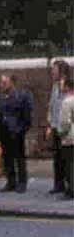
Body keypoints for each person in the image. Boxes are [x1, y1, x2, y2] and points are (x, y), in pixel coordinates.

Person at [0, 74, 33, 193]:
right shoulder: (1, 97)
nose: (1, 85)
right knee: (7, 158)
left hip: (16, 132)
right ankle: (11, 182)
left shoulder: (21, 96)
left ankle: (22, 182)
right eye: (1, 83)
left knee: (19, 158)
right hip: (4, 131)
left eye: (4, 83)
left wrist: (21, 129)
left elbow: (26, 115)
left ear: (12, 83)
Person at [46, 59, 70, 194]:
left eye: (54, 69)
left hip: (65, 127)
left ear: (61, 71)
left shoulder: (68, 86)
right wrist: (49, 123)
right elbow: (52, 105)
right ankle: (58, 184)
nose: (52, 72)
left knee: (66, 157)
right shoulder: (54, 86)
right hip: (55, 126)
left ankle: (68, 184)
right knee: (57, 157)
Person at [58, 77, 74, 200]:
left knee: (69, 165)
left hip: (70, 138)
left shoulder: (66, 102)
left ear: (68, 87)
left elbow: (65, 122)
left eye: (62, 85)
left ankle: (71, 190)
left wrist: (61, 133)